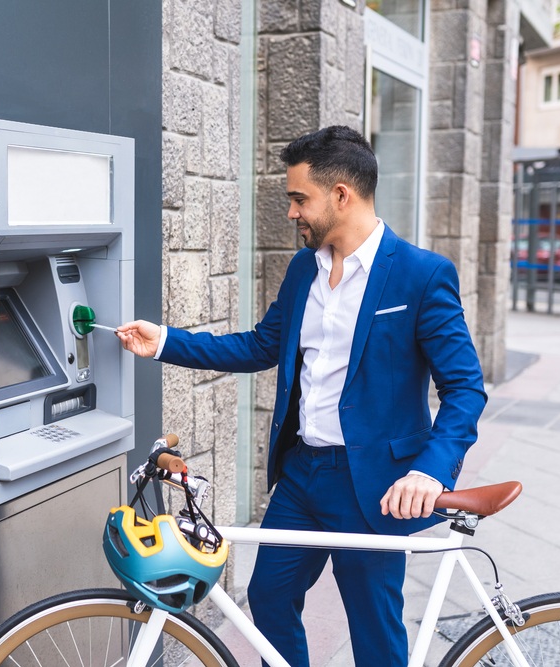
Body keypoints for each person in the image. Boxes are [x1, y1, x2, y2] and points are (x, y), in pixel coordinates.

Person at [115, 125, 487, 667]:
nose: (291, 213)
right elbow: (262, 344)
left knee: (373, 629)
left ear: (341, 195)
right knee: (268, 596)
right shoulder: (302, 269)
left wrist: (429, 472)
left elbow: (464, 389)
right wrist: (166, 341)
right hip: (302, 476)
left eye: (298, 199)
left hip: (374, 487)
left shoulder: (421, 276)